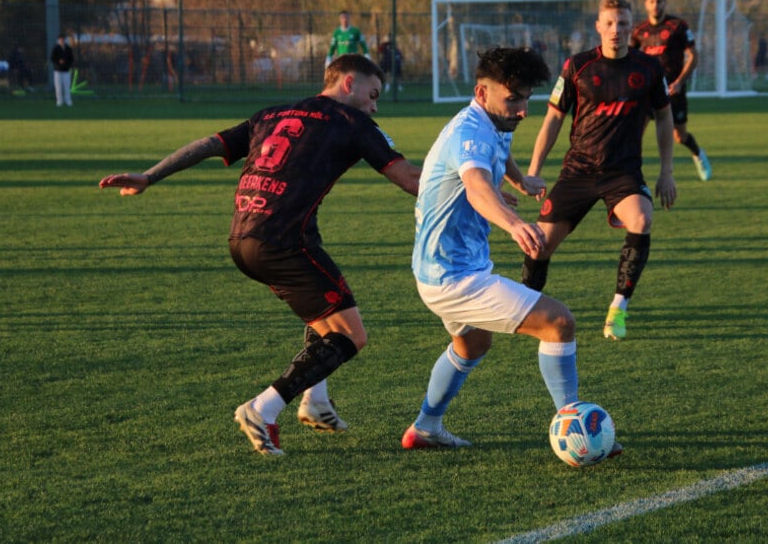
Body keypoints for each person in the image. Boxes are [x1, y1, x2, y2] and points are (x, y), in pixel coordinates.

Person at [99, 54, 422, 456]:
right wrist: (475, 190)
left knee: (325, 312)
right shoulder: (352, 123)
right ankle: (261, 408)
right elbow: (410, 179)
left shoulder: (270, 113)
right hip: (284, 241)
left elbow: (207, 145)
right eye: (373, 95)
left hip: (241, 240)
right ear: (348, 83)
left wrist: (150, 175)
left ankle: (316, 400)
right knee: (351, 336)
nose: (375, 106)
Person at [402, 46, 619, 457]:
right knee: (559, 322)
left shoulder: (490, 123)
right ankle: (580, 434)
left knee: (472, 346)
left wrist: (520, 181)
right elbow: (478, 188)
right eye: (513, 98)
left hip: (436, 268)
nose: (522, 110)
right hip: (454, 276)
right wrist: (515, 224)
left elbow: (500, 154)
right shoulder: (469, 133)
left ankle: (426, 427)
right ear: (482, 93)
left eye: (526, 99)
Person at [522, 0, 677, 342]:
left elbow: (665, 119)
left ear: (631, 27)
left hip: (623, 174)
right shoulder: (577, 66)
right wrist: (533, 171)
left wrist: (666, 171)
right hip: (578, 171)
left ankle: (618, 308)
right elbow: (552, 122)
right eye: (609, 23)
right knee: (538, 247)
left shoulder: (649, 69)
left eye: (623, 24)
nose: (615, 30)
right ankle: (524, 308)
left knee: (641, 218)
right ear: (598, 27)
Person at [631, 0, 711, 181]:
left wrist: (679, 82)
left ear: (665, 3)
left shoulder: (678, 26)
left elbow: (693, 56)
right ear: (646, 4)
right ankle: (631, 176)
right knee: (635, 134)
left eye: (659, 1)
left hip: (674, 91)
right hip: (649, 91)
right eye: (651, 1)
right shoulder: (639, 31)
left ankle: (698, 154)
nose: (655, 5)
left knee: (680, 137)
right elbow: (629, 59)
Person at [50, 33, 74, 106]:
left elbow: (71, 58)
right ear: (58, 40)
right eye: (61, 39)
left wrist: (66, 62)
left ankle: (68, 101)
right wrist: (59, 61)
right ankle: (59, 101)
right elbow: (52, 58)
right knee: (58, 87)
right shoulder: (55, 48)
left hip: (66, 71)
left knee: (67, 87)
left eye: (63, 39)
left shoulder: (68, 48)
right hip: (58, 71)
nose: (62, 41)